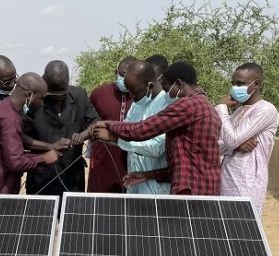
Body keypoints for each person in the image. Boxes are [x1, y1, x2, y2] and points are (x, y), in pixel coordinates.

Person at [93, 61, 222, 196]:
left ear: (178, 84)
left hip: (193, 191)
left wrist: (110, 125)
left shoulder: (188, 105)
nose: (167, 96)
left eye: (166, 90)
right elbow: (184, 164)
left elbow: (142, 130)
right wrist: (146, 175)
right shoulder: (203, 104)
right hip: (198, 188)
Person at [0, 73, 59, 194]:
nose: (42, 104)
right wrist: (44, 158)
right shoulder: (10, 118)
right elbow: (15, 163)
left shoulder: (0, 108)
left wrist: (47, 149)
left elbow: (9, 151)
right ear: (30, 95)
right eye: (42, 98)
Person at [24, 61, 99, 196]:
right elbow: (21, 137)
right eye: (53, 96)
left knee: (72, 215)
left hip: (73, 177)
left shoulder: (80, 96)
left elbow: (95, 122)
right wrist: (50, 146)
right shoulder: (33, 99)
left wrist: (84, 134)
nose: (58, 100)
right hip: (41, 178)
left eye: (62, 96)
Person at [216, 62, 279, 216]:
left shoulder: (265, 109)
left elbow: (230, 140)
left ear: (256, 84)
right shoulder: (238, 112)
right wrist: (236, 146)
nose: (235, 88)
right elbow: (217, 145)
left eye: (240, 84)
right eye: (233, 84)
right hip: (226, 179)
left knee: (243, 231)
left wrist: (221, 108)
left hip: (247, 183)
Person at [117, 59, 173, 194]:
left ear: (150, 86)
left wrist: (116, 140)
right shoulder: (137, 104)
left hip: (157, 188)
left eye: (135, 92)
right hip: (134, 181)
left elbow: (157, 147)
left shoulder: (168, 105)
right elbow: (126, 130)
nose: (132, 96)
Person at [87, 55, 136, 193]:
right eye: (122, 75)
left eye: (129, 76)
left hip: (130, 158)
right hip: (103, 157)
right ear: (116, 73)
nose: (124, 80)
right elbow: (89, 122)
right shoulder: (99, 93)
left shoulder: (140, 97)